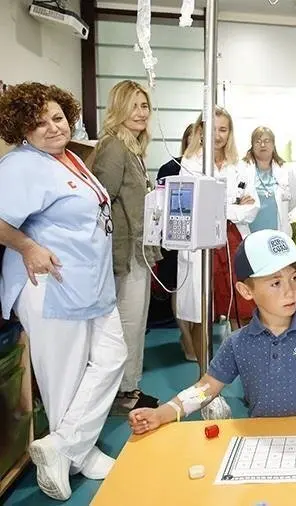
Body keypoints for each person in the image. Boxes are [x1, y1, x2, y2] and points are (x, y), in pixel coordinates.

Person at [128, 229, 296, 431]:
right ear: (246, 290)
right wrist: (164, 413)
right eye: (275, 282)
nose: (290, 290)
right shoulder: (238, 344)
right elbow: (206, 389)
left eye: (294, 277)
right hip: (263, 440)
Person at [0, 82, 127, 501]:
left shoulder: (69, 156)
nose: (53, 128)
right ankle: (76, 456)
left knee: (112, 357)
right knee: (65, 378)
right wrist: (28, 246)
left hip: (89, 280)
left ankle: (63, 446)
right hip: (49, 285)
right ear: (22, 129)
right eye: (39, 123)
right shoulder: (21, 164)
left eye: (57, 117)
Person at [91, 80, 161, 413]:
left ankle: (129, 387)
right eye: (133, 105)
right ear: (119, 108)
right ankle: (124, 392)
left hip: (138, 249)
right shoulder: (114, 147)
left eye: (144, 106)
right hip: (125, 252)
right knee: (128, 322)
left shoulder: (132, 148)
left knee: (134, 321)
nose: (140, 112)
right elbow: (100, 201)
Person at [176, 108, 259, 330]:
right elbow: (198, 206)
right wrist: (233, 207)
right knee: (203, 309)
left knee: (240, 306)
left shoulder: (241, 165)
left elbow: (253, 208)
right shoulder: (191, 162)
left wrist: (222, 208)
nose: (218, 135)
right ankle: (205, 363)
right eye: (212, 129)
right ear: (201, 131)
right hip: (203, 241)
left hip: (233, 240)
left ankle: (241, 360)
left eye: (223, 129)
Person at [155, 123, 197, 362]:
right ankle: (188, 341)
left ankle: (190, 337)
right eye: (193, 136)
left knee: (197, 292)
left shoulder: (209, 168)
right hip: (175, 239)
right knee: (179, 290)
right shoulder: (169, 167)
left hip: (202, 244)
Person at [241, 126, 296, 236]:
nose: (263, 145)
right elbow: (235, 199)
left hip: (277, 232)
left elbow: (292, 202)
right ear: (252, 146)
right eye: (258, 141)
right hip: (250, 233)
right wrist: (239, 203)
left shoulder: (286, 170)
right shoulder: (242, 169)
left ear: (273, 144)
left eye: (267, 141)